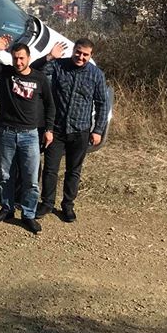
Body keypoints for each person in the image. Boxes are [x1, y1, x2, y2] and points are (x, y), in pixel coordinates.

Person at [0, 35, 55, 234]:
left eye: (22, 58)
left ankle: (28, 214)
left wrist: (49, 130)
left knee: (31, 179)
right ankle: (7, 208)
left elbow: (50, 105)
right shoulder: (5, 73)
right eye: (15, 58)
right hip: (6, 133)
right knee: (6, 176)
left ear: (29, 58)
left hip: (30, 135)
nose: (18, 62)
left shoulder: (39, 78)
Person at [31, 38, 109, 223]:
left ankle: (68, 205)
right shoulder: (59, 66)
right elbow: (34, 71)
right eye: (78, 52)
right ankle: (47, 203)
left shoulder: (96, 74)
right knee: (51, 169)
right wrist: (49, 56)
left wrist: (97, 130)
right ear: (73, 51)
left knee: (74, 170)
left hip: (80, 130)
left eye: (85, 54)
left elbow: (102, 104)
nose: (80, 57)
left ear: (91, 55)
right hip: (56, 129)